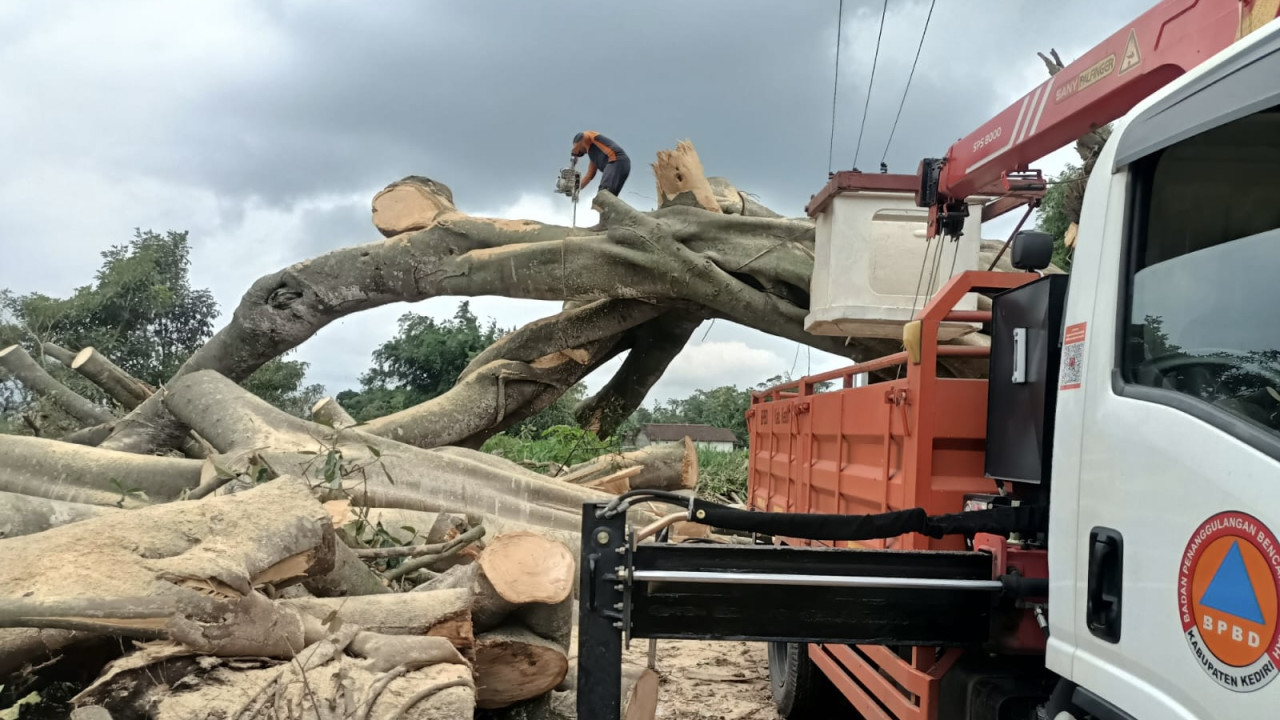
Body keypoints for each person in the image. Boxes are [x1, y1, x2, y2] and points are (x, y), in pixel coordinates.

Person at [571, 130, 630, 199]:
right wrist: (576, 188)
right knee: (610, 198)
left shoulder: (589, 137)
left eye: (576, 147)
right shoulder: (593, 156)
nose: (580, 151)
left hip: (616, 160)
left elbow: (584, 135)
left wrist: (574, 154)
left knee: (603, 193)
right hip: (621, 164)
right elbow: (589, 175)